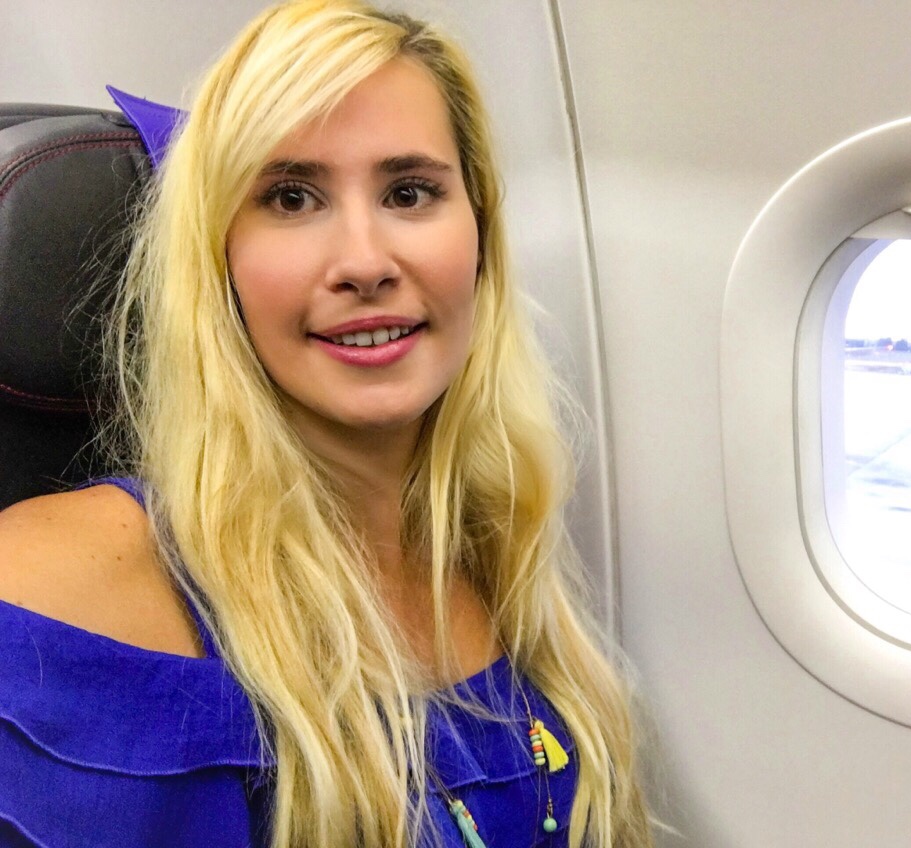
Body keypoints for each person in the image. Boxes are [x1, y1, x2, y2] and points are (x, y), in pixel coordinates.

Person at [0, 2, 653, 846]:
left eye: (409, 192)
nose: (365, 263)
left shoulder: (499, 562)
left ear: (480, 236)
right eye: (291, 197)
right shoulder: (45, 589)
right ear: (217, 259)